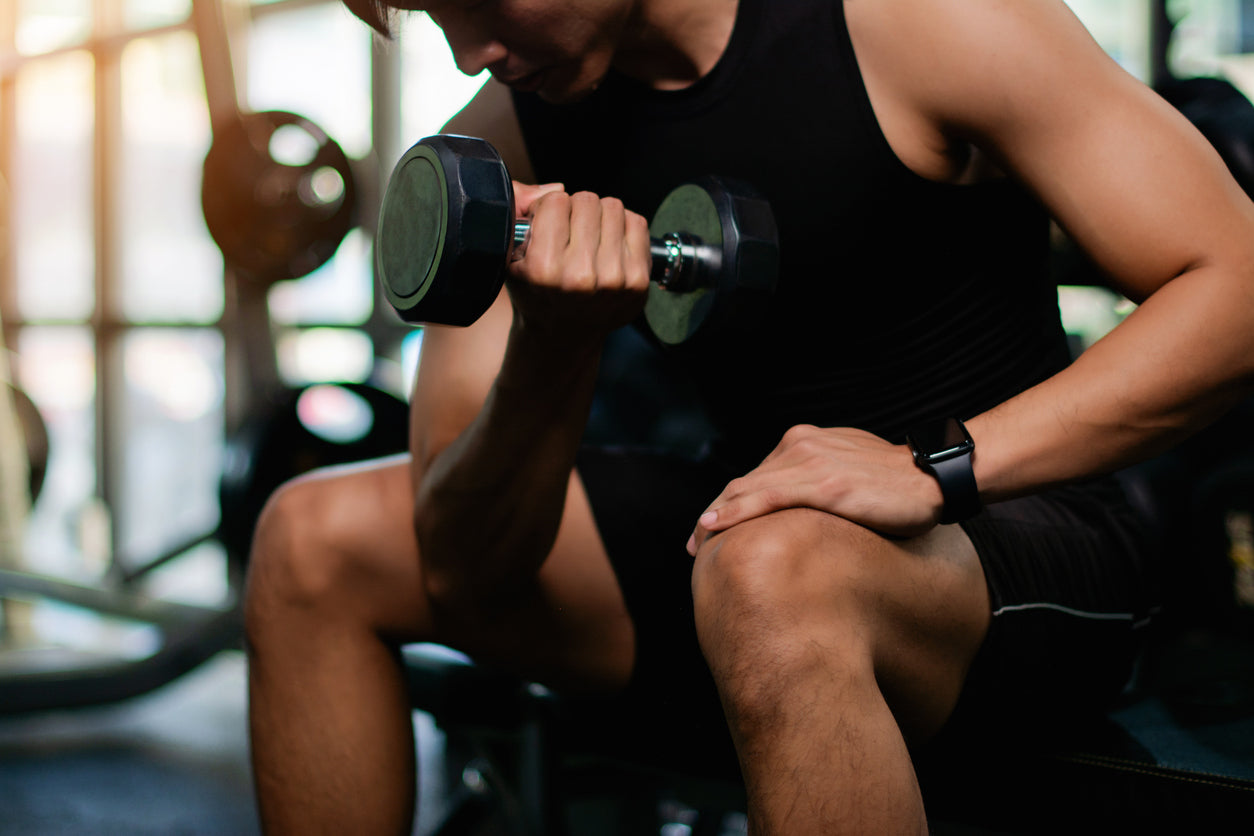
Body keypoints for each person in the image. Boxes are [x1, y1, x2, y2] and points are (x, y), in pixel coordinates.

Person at [243, 0, 1254, 832]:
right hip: (746, 541)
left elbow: (1237, 285)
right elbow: (464, 564)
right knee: (311, 539)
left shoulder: (914, 22)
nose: (472, 50)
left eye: (479, 1)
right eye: (434, 16)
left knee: (769, 568)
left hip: (1016, 540)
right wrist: (554, 347)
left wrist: (930, 465)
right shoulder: (511, 138)